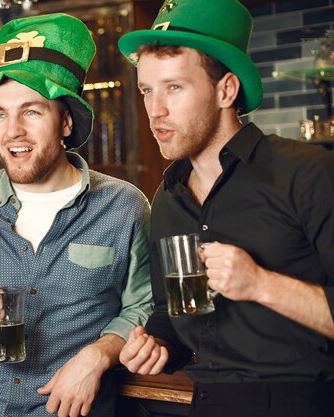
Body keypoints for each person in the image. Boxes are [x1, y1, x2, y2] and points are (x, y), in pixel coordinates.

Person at [0, 13, 153, 417]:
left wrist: (100, 354)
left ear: (65, 121)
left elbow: (143, 306)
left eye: (31, 112)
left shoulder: (124, 206)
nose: (12, 132)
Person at [116, 0, 334, 416]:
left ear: (226, 90)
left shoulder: (308, 173)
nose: (155, 109)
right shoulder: (169, 196)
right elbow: (170, 311)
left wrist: (260, 284)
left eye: (174, 87)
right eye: (147, 89)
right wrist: (158, 342)